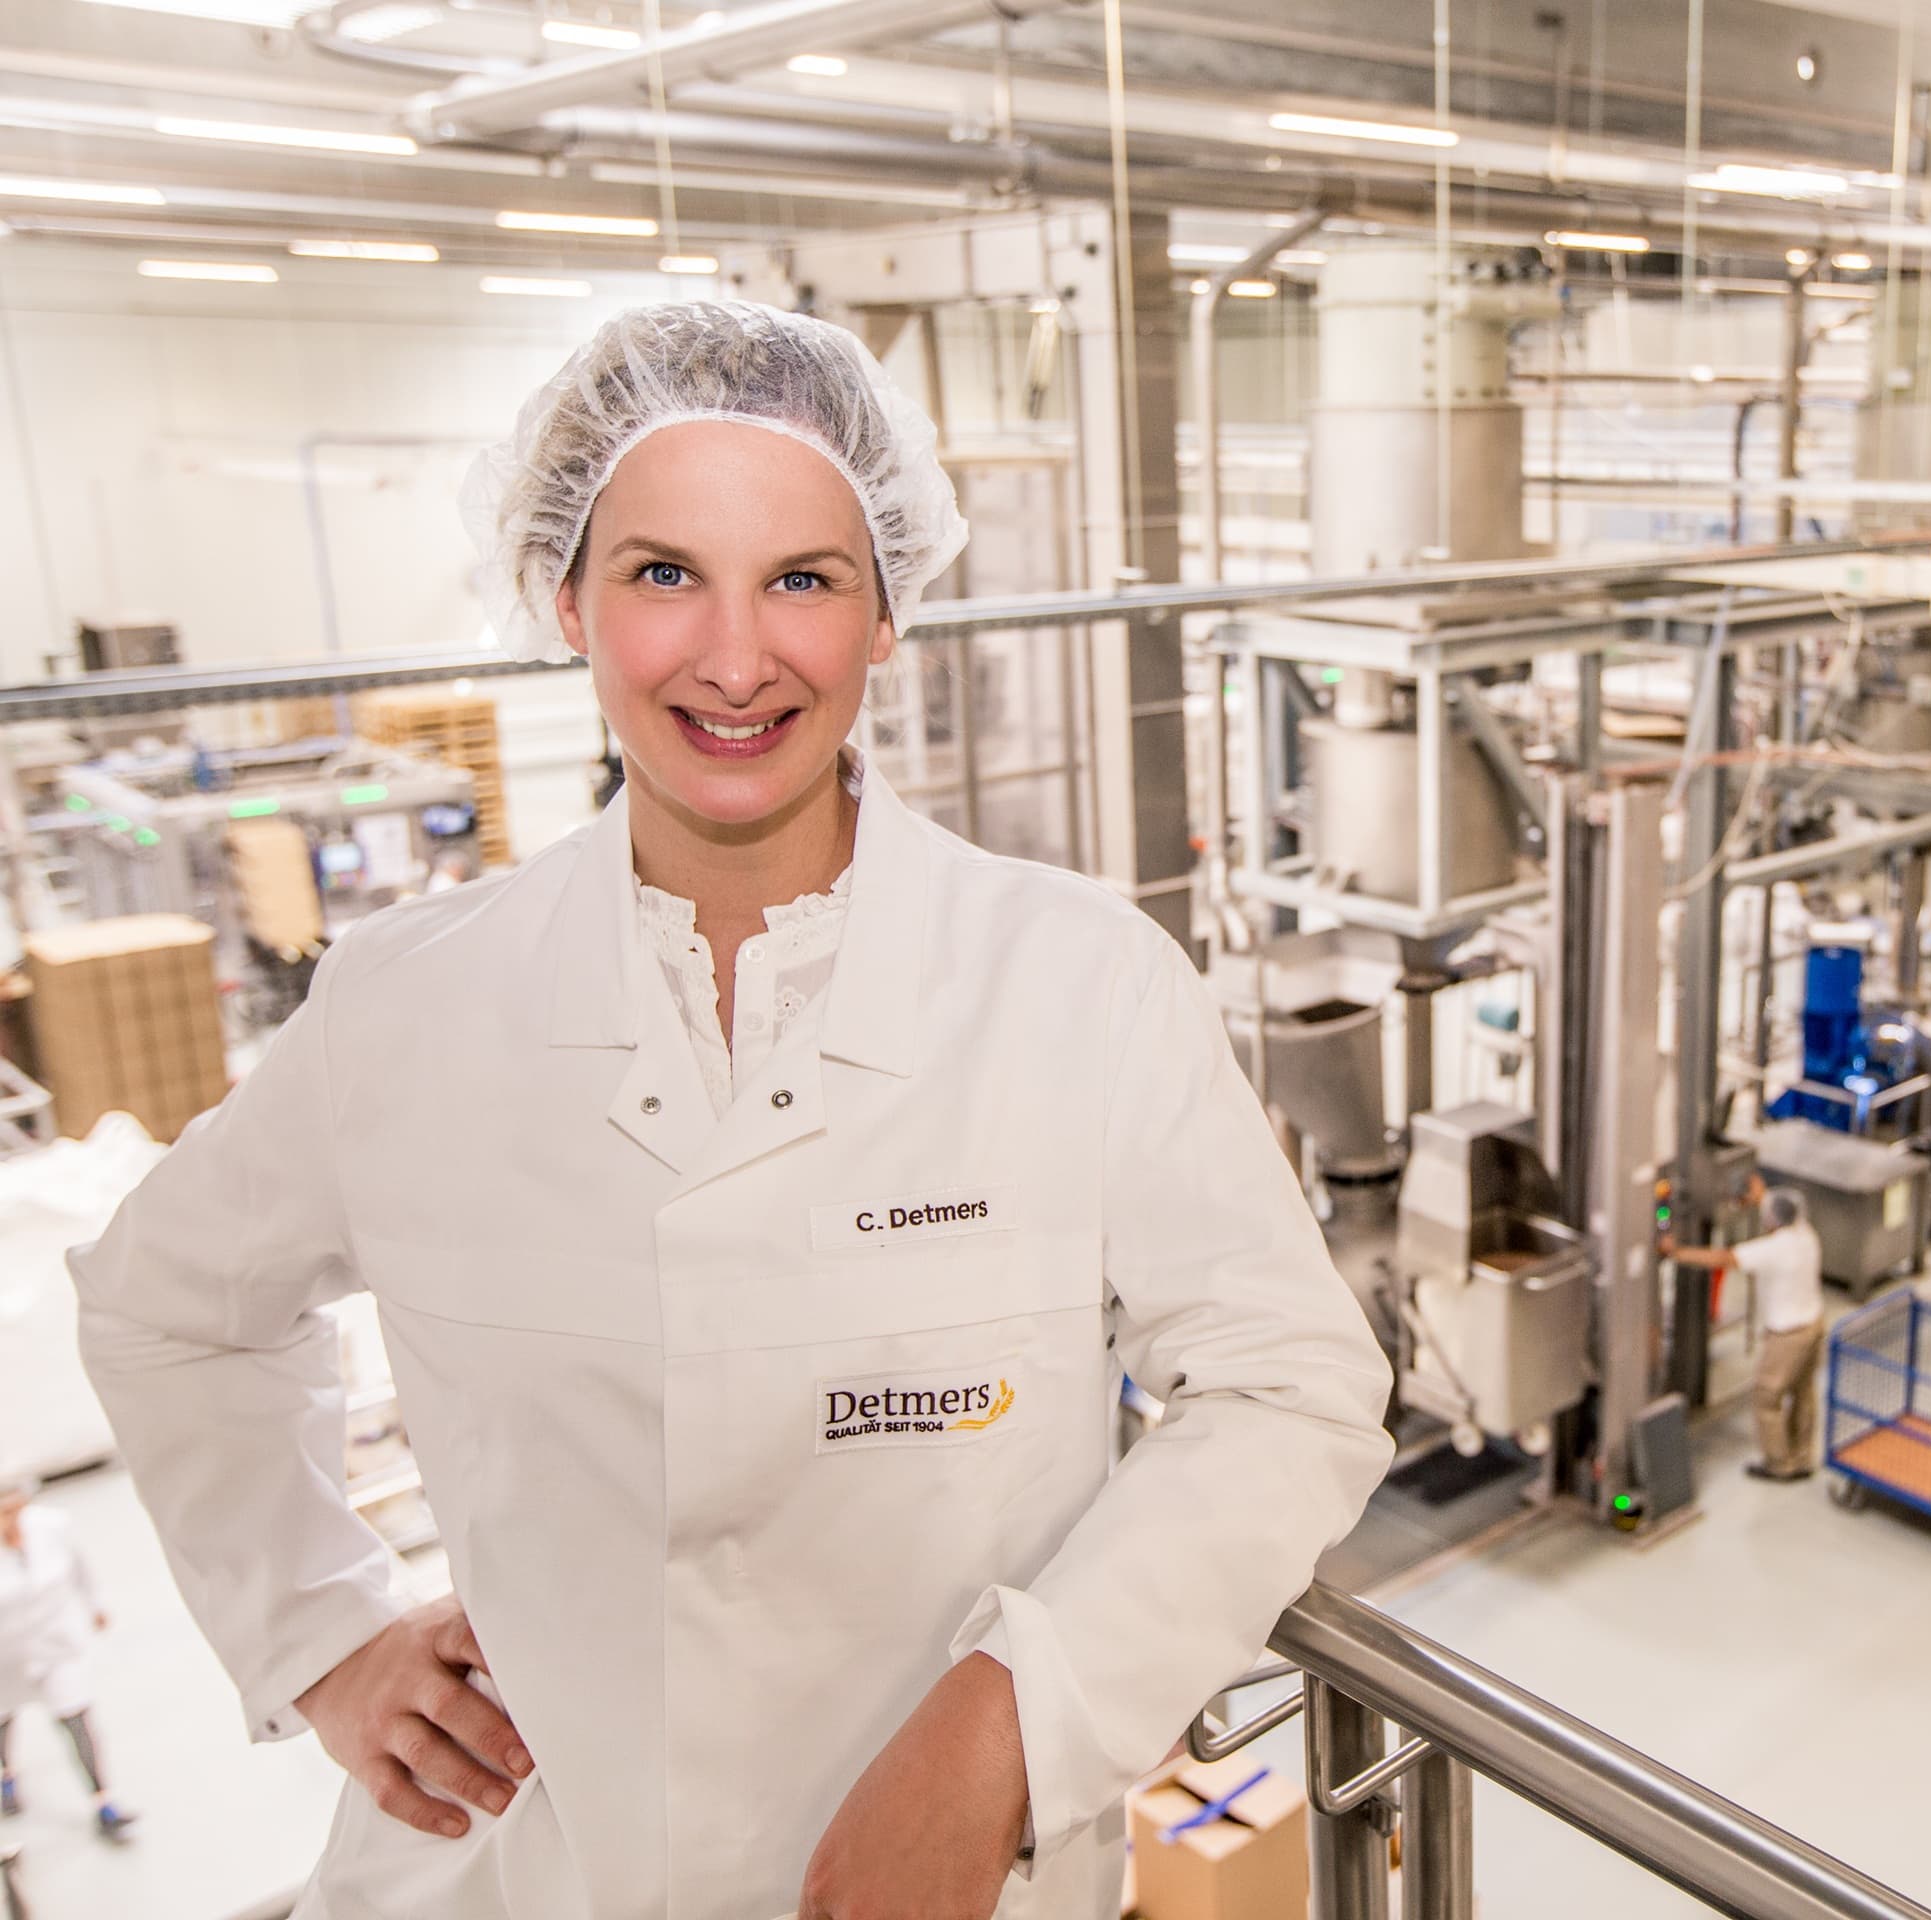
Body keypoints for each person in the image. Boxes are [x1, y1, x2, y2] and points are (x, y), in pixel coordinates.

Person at [70, 302, 1393, 1920]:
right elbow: (163, 1310)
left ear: (889, 608)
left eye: (805, 580)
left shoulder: (1082, 986)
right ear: (567, 595)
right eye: (663, 573)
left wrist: (1009, 1730)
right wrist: (323, 1637)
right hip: (519, 1876)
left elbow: (1291, 1387)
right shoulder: (406, 1011)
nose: (736, 655)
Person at [1662, 1178, 1829, 1482]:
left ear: (1773, 1220)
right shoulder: (1806, 1234)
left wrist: (1676, 1252)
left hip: (1787, 1335)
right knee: (1804, 1392)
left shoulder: (1773, 1249)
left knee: (1767, 1398)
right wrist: (1759, 1194)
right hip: (1815, 1325)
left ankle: (1779, 1464)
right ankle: (1803, 1456)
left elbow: (1723, 1259)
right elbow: (1777, 1206)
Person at [0, 1478, 135, 1840]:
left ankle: (103, 1800)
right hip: (5, 1656)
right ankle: (6, 1775)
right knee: (4, 1719)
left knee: (76, 1717)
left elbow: (79, 1568)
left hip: (52, 1644)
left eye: (15, 1509)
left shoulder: (51, 1526)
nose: (10, 1519)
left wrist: (96, 1605)